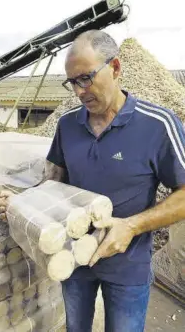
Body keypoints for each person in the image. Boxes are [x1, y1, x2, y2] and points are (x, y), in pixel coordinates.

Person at [44, 30, 185, 332]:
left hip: (128, 267)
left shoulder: (157, 124)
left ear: (116, 68)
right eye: (72, 82)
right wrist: (22, 201)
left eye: (86, 78)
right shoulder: (67, 124)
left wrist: (130, 226)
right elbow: (53, 181)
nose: (79, 92)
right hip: (75, 262)